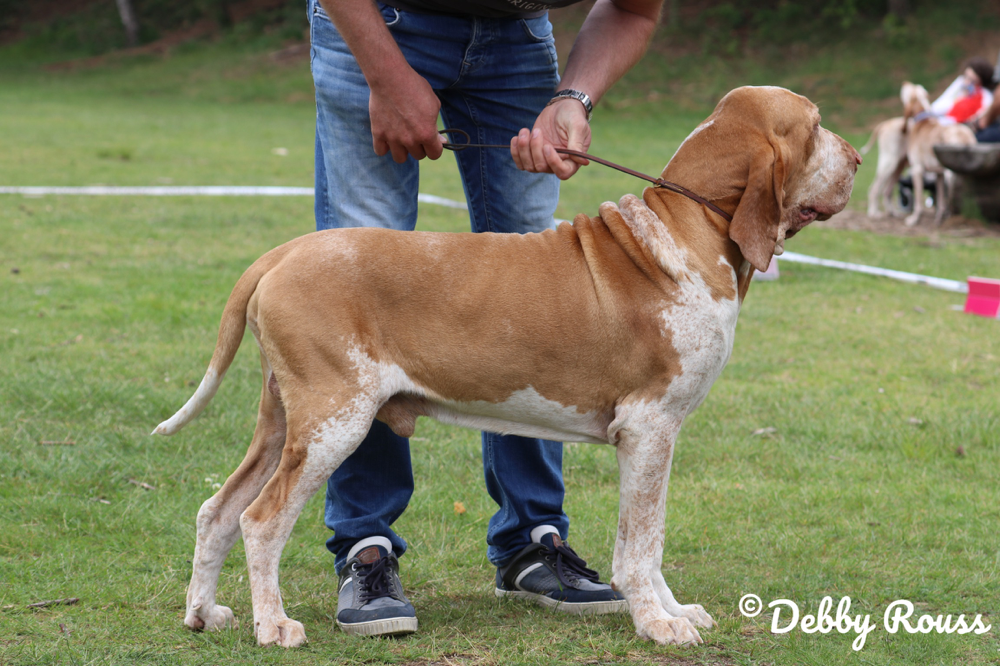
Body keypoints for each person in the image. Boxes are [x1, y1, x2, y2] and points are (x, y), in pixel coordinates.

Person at [308, 0, 663, 638]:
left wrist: (573, 99)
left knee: (536, 289)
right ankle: (366, 548)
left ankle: (532, 539)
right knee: (365, 281)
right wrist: (387, 78)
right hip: (379, 18)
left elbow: (634, 11)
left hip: (517, 43)